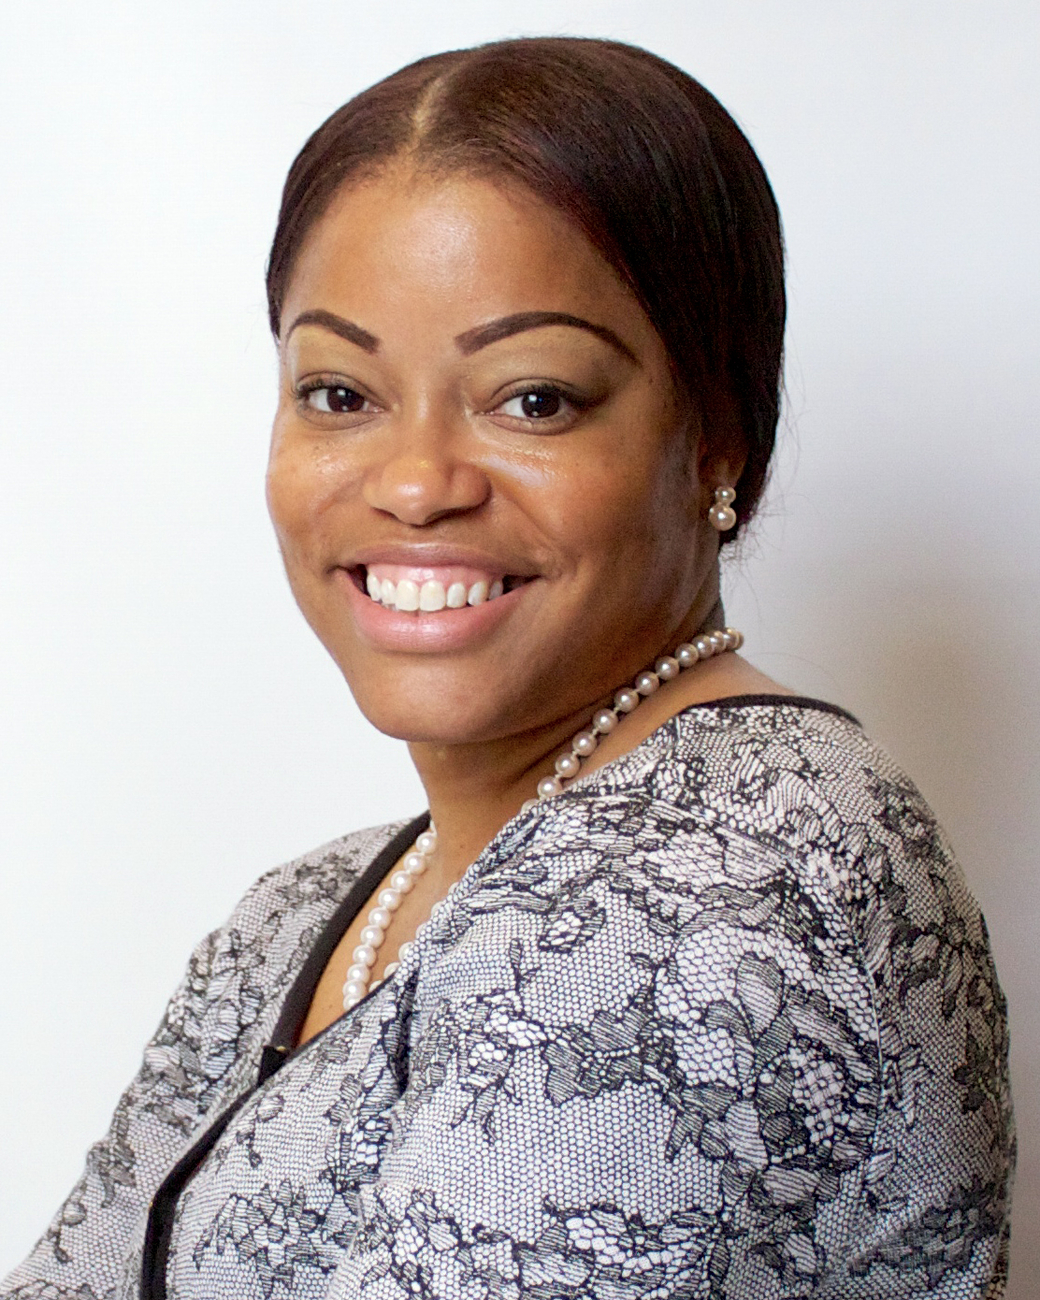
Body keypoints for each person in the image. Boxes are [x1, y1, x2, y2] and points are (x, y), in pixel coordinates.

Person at [2, 35, 1013, 1300]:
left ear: (718, 440)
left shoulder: (708, 886)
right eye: (338, 392)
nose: (416, 483)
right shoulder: (301, 918)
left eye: (531, 398)